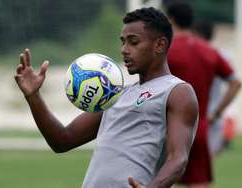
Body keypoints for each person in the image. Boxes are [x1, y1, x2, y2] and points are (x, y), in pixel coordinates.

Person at [14, 7, 199, 188]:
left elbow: (178, 158)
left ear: (159, 45)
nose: (124, 50)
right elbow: (62, 140)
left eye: (133, 42)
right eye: (123, 42)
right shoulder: (115, 93)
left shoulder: (177, 91)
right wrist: (33, 96)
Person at [165, 2, 242, 188]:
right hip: (199, 127)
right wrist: (216, 113)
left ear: (170, 20)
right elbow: (236, 82)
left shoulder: (165, 50)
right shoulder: (209, 50)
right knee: (199, 183)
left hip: (169, 128)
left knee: (164, 180)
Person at [193, 20, 237, 156]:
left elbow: (236, 84)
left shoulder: (191, 55)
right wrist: (218, 112)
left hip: (194, 116)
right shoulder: (220, 55)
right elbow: (235, 83)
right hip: (213, 116)